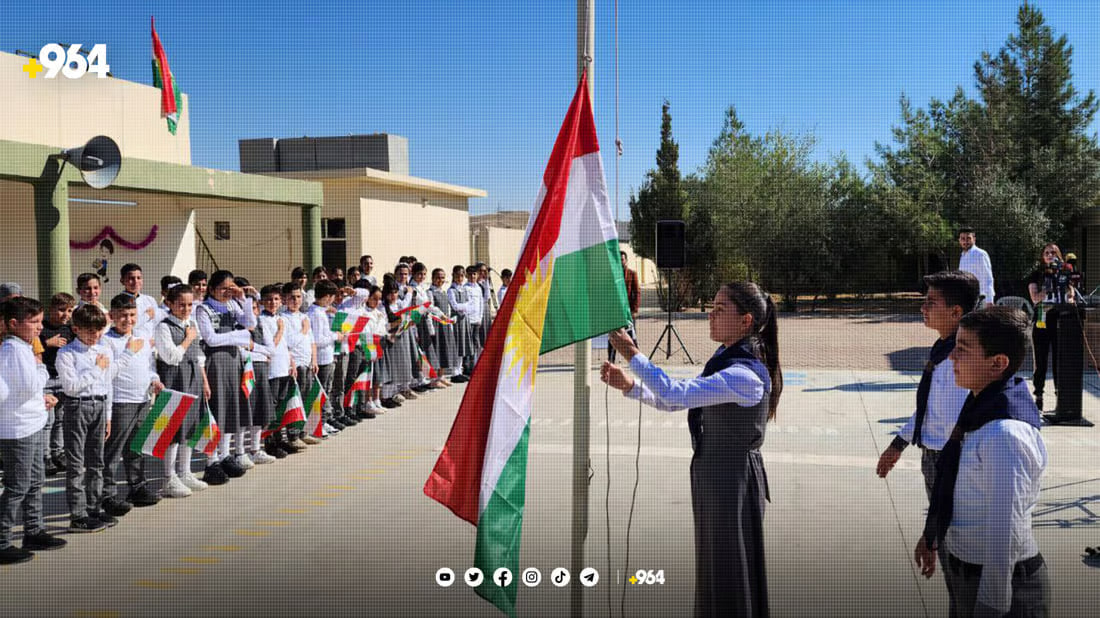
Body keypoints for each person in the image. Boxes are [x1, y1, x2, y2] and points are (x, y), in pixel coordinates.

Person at [601, 281, 782, 617]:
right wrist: (630, 387)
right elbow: (676, 401)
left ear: (745, 321)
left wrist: (631, 353)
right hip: (715, 476)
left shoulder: (745, 373)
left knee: (730, 572)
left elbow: (676, 393)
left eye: (720, 310)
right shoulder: (726, 359)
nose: (710, 317)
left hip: (733, 481)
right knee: (715, 569)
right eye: (711, 308)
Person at [915, 307, 1048, 617]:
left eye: (962, 350)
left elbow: (1006, 532)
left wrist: (991, 605)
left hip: (1003, 586)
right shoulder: (979, 406)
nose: (952, 358)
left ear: (997, 363)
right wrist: (934, 533)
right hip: (969, 572)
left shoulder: (1004, 434)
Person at [876, 271, 977, 614]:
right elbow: (930, 411)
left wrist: (930, 532)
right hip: (934, 457)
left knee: (960, 564)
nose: (923, 307)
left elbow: (954, 433)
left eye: (931, 302)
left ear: (956, 312)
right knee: (953, 566)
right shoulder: (944, 348)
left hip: (949, 462)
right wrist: (899, 444)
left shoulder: (958, 359)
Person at [56, 303, 135, 532]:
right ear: (76, 329)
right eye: (90, 331)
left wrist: (108, 415)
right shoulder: (67, 353)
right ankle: (78, 514)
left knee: (96, 462)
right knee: (76, 464)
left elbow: (107, 382)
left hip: (100, 405)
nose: (96, 335)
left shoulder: (103, 350)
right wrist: (97, 369)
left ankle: (94, 507)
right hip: (77, 407)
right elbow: (71, 387)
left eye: (99, 330)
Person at [0, 297, 66, 564]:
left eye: (40, 321)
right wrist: (41, 372)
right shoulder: (13, 350)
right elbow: (29, 383)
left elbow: (24, 388)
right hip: (18, 428)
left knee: (35, 480)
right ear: (14, 324)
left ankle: (34, 529)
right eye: (34, 322)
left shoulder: (23, 347)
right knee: (17, 485)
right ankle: (3, 540)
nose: (40, 327)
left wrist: (40, 396)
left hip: (33, 419)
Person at [100, 294, 163, 514]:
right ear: (112, 316)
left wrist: (154, 380)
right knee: (112, 451)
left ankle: (137, 486)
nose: (128, 319)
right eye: (123, 315)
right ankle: (106, 495)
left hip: (142, 400)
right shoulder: (106, 341)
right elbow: (107, 372)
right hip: (120, 402)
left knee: (137, 447)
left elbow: (149, 366)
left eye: (132, 315)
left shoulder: (143, 337)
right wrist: (128, 352)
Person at [196, 270, 257, 483]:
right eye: (223, 288)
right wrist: (238, 336)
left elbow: (250, 324)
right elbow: (210, 339)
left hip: (233, 361)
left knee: (232, 408)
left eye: (231, 288)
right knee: (217, 410)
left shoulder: (233, 304)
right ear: (212, 289)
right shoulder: (203, 308)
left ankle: (225, 454)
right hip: (215, 362)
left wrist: (243, 299)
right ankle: (210, 459)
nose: (227, 292)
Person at [1027, 243, 1075, 412]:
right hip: (1042, 321)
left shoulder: (1064, 272)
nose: (1049, 255)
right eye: (1046, 253)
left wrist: (1069, 297)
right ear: (1042, 256)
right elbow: (1035, 298)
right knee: (1040, 361)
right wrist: (1048, 290)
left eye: (1053, 252)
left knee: (1059, 360)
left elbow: (1071, 293)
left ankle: (1059, 395)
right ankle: (1038, 395)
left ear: (1058, 255)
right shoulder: (1037, 275)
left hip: (1059, 320)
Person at [40, 292, 75, 475]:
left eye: (69, 311)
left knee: (60, 418)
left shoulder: (69, 330)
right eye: (61, 310)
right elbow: (32, 349)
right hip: (46, 379)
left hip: (62, 379)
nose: (65, 315)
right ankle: (45, 457)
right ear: (51, 309)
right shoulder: (42, 328)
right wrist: (47, 343)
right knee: (48, 419)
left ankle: (58, 452)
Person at [280, 281, 316, 448]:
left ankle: (303, 430)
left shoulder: (304, 317)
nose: (295, 300)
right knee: (296, 399)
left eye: (298, 297)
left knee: (307, 398)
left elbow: (312, 342)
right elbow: (289, 343)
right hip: (296, 364)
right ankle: (293, 434)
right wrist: (303, 330)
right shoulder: (283, 318)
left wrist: (314, 359)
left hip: (308, 362)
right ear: (285, 299)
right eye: (292, 297)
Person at [429, 268, 460, 387]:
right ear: (432, 278)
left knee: (444, 351)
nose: (440, 280)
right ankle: (434, 379)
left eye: (442, 278)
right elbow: (431, 310)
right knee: (437, 350)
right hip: (437, 325)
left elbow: (447, 308)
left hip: (445, 325)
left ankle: (441, 376)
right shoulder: (430, 292)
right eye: (438, 277)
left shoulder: (443, 292)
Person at [119, 263, 163, 337]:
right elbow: (126, 326)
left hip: (151, 344)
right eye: (131, 278)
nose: (136, 281)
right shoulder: (119, 301)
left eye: (139, 278)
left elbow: (157, 323)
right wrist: (147, 316)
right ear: (122, 280)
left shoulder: (150, 300)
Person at [957, 228, 995, 307]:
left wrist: (989, 300)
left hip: (981, 299)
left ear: (974, 239)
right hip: (967, 299)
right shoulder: (963, 256)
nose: (965, 241)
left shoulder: (980, 254)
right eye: (963, 239)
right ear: (959, 241)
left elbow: (988, 278)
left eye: (968, 238)